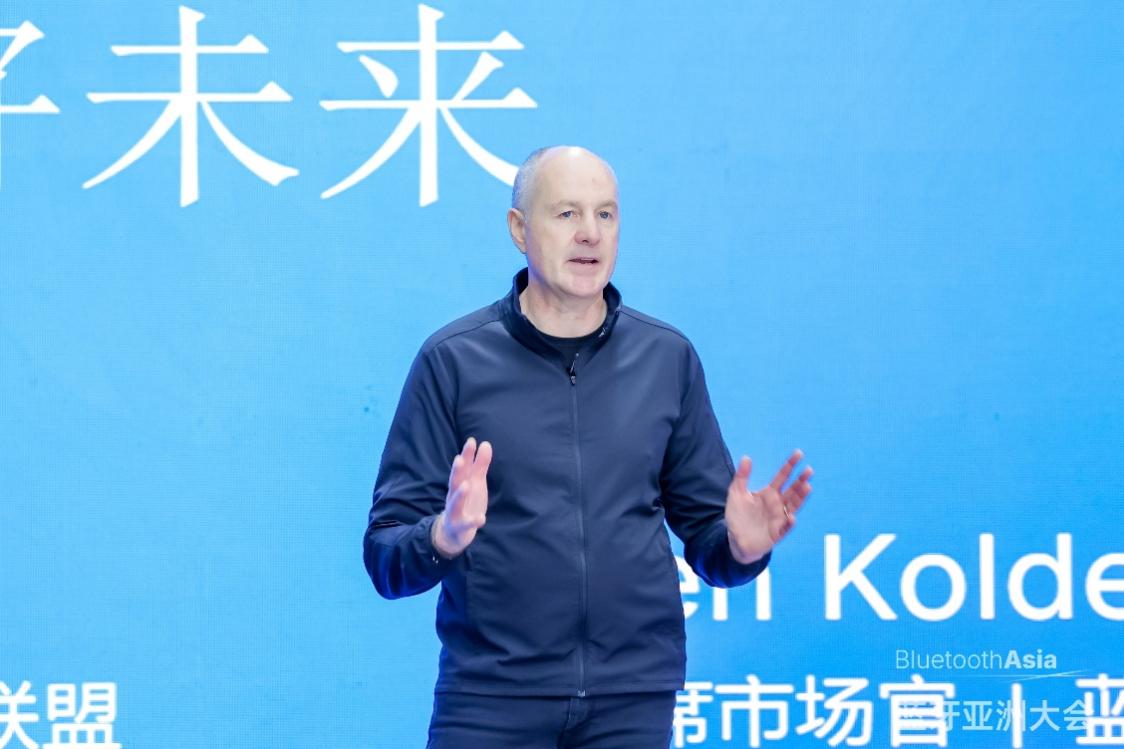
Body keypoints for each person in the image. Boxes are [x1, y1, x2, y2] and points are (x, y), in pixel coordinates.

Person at [363, 145, 813, 748]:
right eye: (567, 213)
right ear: (519, 229)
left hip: (632, 698)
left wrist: (740, 546)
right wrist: (444, 536)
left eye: (605, 214)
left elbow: (710, 541)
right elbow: (385, 553)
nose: (590, 234)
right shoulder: (454, 361)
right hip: (491, 698)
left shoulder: (666, 359)